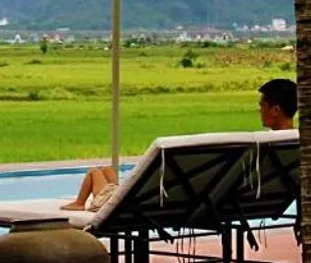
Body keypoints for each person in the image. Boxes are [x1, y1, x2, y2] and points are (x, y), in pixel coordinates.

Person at [58, 77, 298, 212]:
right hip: (249, 202)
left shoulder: (258, 146)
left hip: (159, 205)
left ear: (275, 110)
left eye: (262, 104)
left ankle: (79, 204)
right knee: (107, 172)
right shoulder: (297, 145)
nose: (259, 108)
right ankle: (84, 200)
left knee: (95, 172)